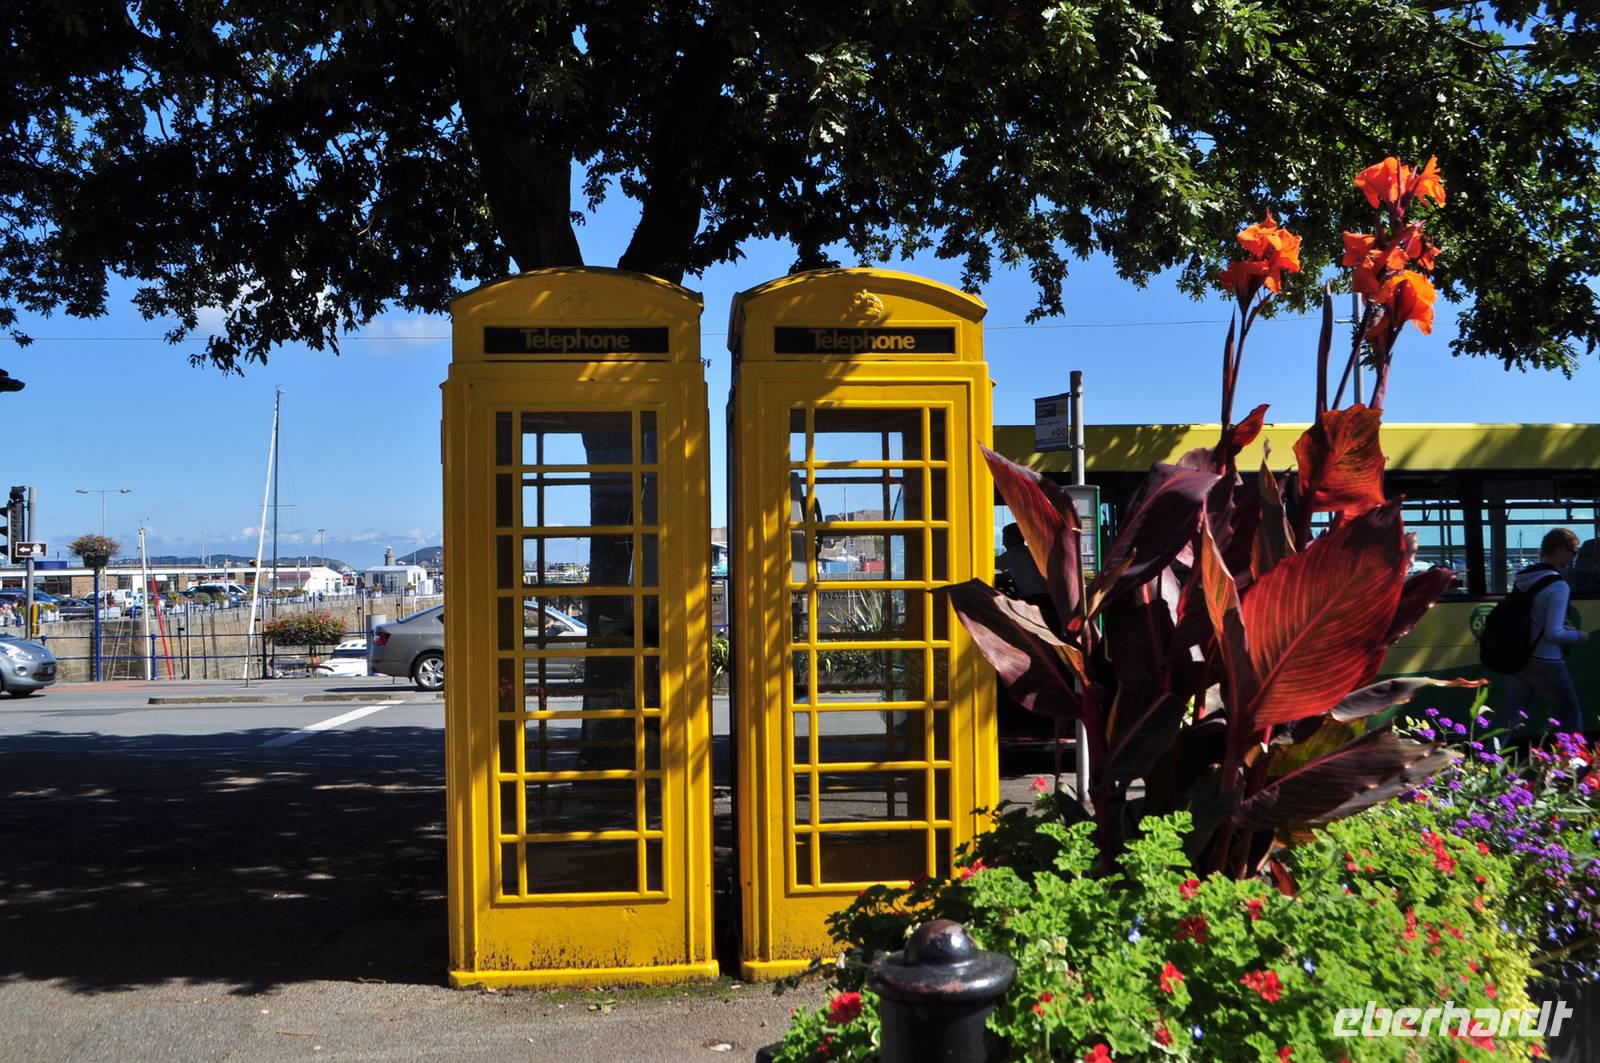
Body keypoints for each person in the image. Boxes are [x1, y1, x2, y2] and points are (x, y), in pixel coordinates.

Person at [1501, 527, 1590, 735]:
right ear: (1559, 550)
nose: (1573, 557)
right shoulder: (1558, 585)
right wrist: (1579, 635)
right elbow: (1553, 633)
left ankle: (1487, 759)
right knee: (1570, 715)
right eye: (1573, 551)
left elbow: (1533, 618)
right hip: (1545, 660)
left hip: (1517, 657)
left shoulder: (1524, 577)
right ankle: (1572, 766)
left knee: (1509, 717)